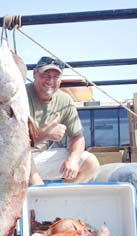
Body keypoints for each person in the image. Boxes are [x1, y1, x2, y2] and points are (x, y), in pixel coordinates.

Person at [26, 56, 99, 184]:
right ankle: (41, 197)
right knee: (26, 162)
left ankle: (65, 199)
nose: (50, 81)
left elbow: (78, 137)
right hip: (15, 159)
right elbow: (14, 144)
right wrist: (45, 134)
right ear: (35, 74)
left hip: (41, 158)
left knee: (91, 163)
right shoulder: (20, 95)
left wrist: (73, 160)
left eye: (56, 77)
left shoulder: (65, 100)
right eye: (45, 75)